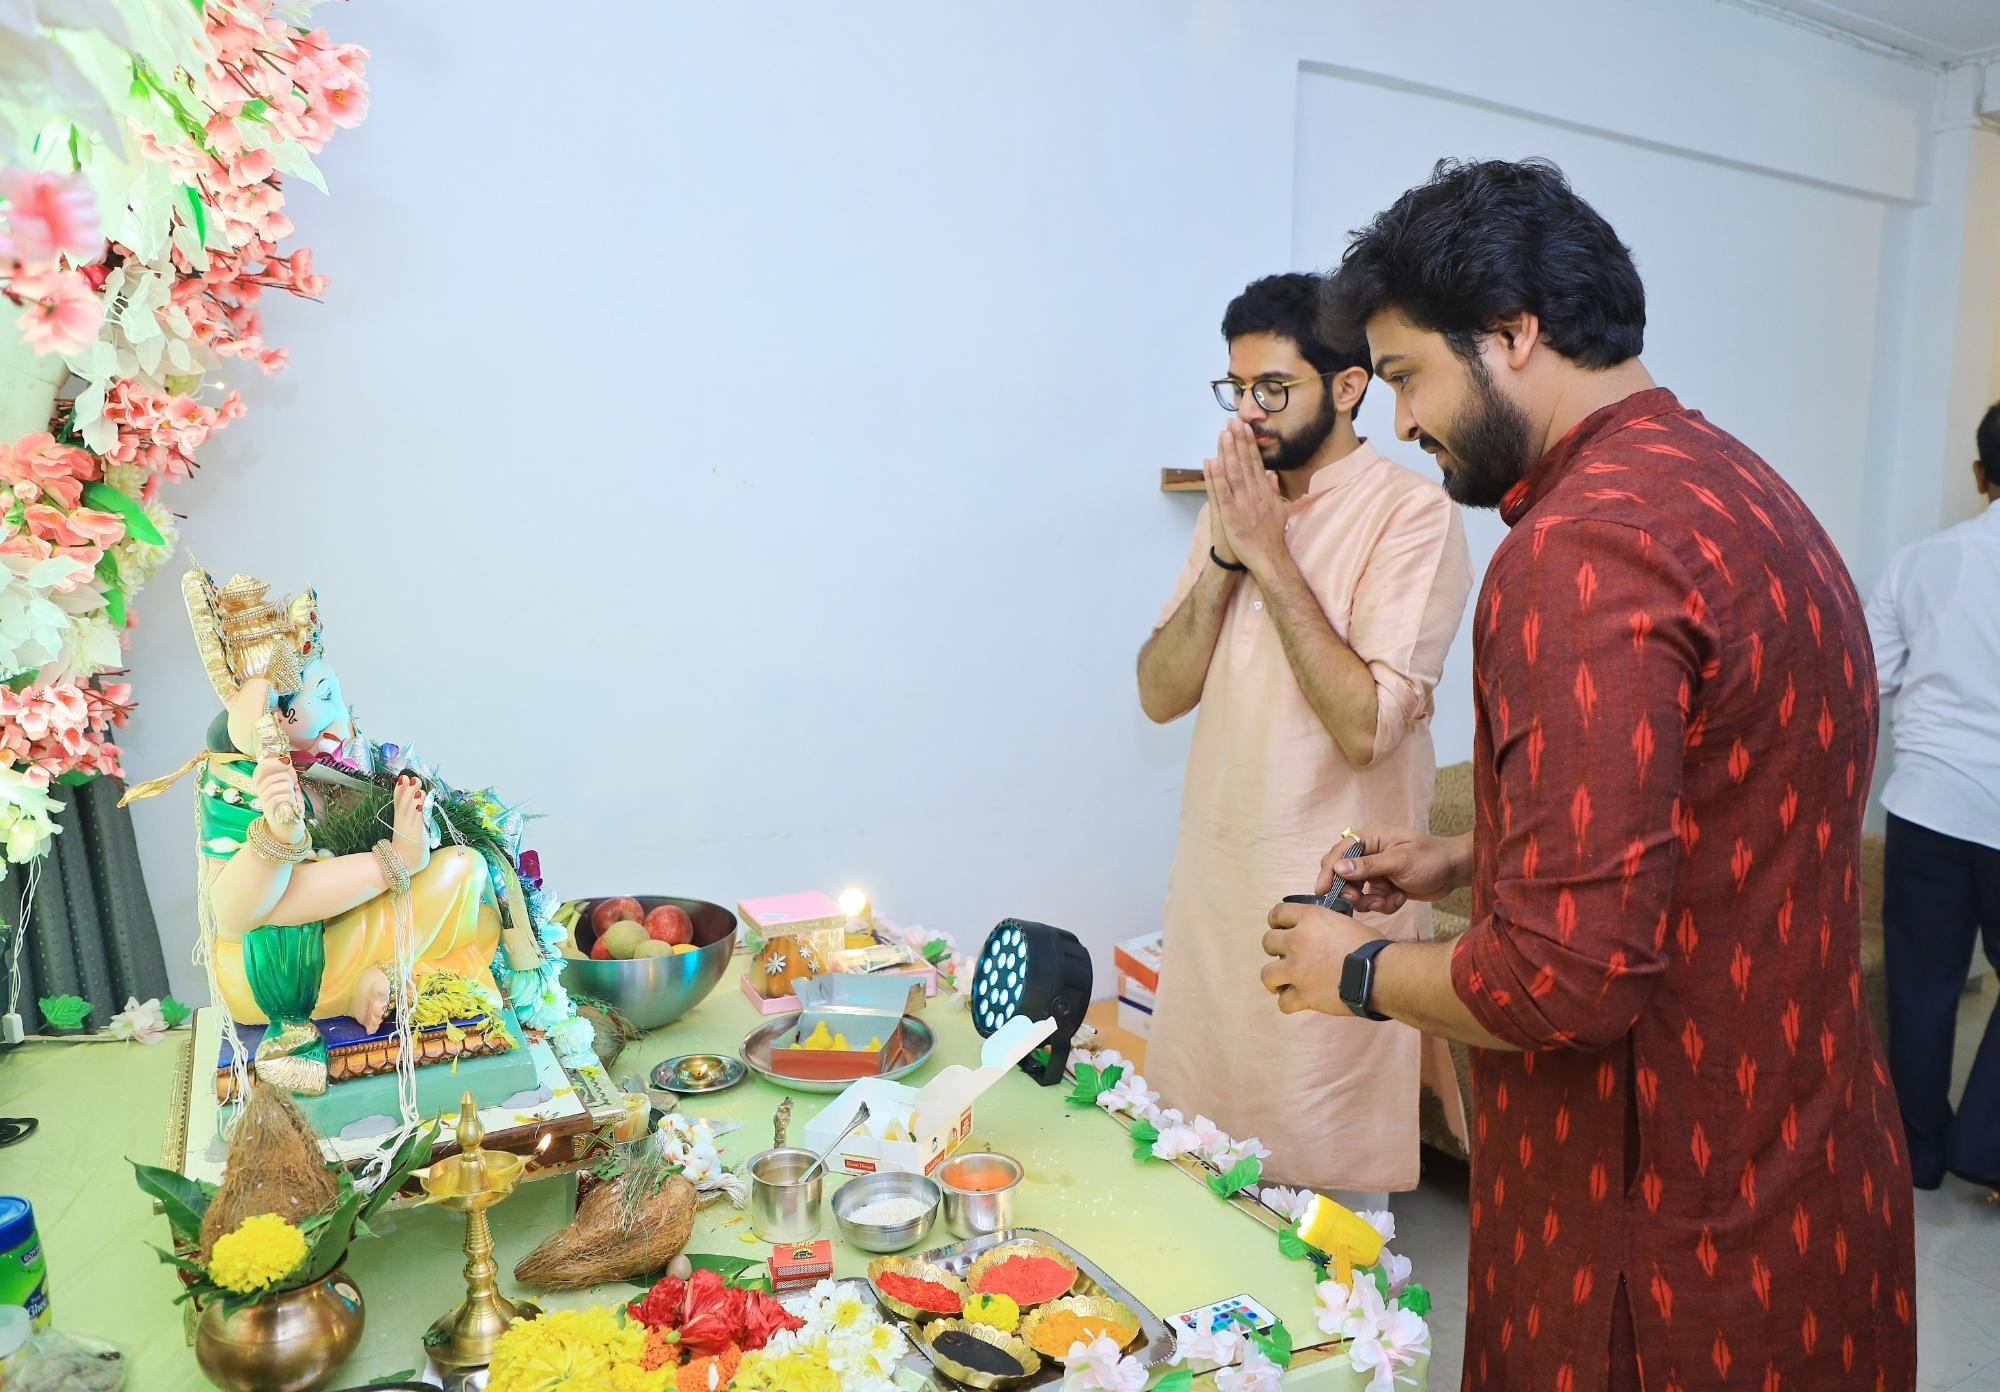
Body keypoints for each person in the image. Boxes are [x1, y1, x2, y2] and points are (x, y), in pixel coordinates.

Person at [1261, 160, 1915, 1391]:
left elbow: (1566, 981)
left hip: (1651, 1236)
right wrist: (1476, 852)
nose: (1401, 421)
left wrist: (1345, 971)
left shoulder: (1577, 552)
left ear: (1511, 334)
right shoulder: (1733, 485)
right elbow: (1723, 807)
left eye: (1405, 377)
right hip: (1800, 1165)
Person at [1138, 272, 1471, 1204]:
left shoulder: (1413, 516)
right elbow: (1158, 694)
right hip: (1212, 913)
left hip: (1329, 917)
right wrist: (1224, 550)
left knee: (1322, 1231)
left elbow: (1368, 727)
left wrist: (1271, 555)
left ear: (1351, 387)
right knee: (1194, 1195)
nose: (1248, 412)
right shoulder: (1233, 507)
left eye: (1273, 389)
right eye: (1235, 389)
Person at [1868, 400, 2000, 1196]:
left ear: (1981, 476)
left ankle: (1916, 1155)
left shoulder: (1919, 562)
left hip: (1927, 807)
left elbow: (1869, 679)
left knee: (1922, 983)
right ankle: (1984, 1148)